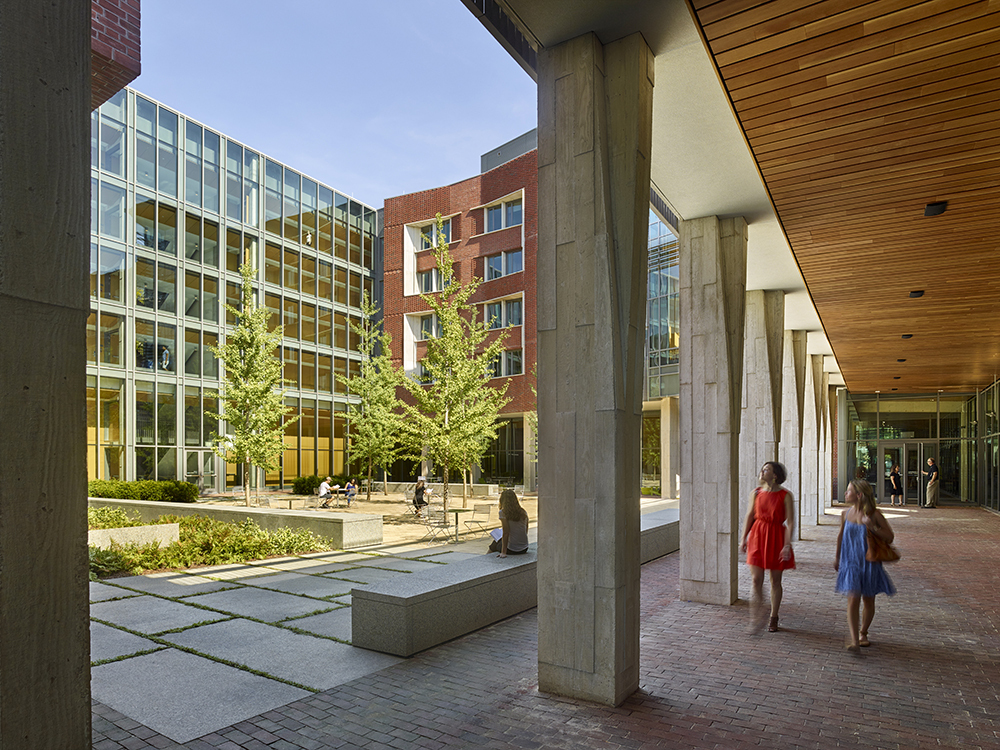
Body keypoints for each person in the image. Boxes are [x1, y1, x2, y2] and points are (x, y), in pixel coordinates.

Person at [835, 478, 896, 650]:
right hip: (850, 562)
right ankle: (854, 639)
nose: (846, 493)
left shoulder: (874, 515)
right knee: (853, 598)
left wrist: (873, 527)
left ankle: (864, 632)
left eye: (849, 490)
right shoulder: (845, 514)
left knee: (868, 599)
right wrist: (837, 557)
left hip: (869, 562)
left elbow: (890, 537)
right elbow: (841, 536)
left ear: (859, 495)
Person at [739, 461, 795, 633]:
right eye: (762, 469)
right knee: (756, 579)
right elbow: (750, 516)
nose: (762, 472)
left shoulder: (786, 495)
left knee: (775, 580)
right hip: (757, 535)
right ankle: (757, 615)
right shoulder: (755, 493)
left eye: (766, 470)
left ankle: (773, 616)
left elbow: (791, 522)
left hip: (776, 536)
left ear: (775, 475)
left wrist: (787, 545)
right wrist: (744, 538)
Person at [488, 489, 529, 557]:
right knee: (498, 541)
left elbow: (506, 533)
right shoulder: (523, 512)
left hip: (511, 549)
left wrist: (503, 552)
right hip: (524, 548)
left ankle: (486, 558)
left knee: (495, 542)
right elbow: (525, 529)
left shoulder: (503, 513)